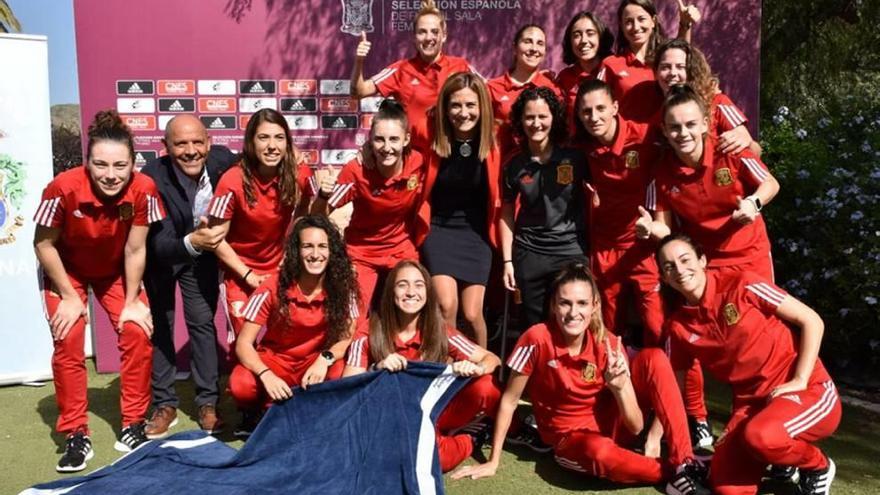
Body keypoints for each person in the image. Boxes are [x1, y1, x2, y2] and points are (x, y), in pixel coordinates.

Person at [451, 262, 709, 495]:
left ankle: (683, 460)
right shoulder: (536, 338)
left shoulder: (607, 342)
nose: (573, 312)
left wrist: (619, 387)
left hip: (614, 426)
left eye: (582, 303)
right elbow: (509, 400)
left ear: (594, 305)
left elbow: (635, 427)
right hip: (572, 442)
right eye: (565, 303)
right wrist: (493, 461)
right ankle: (670, 473)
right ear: (553, 305)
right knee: (599, 452)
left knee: (654, 357)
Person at [656, 235, 841, 495]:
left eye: (685, 260)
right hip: (751, 406)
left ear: (703, 260)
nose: (679, 269)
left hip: (807, 390)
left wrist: (799, 379)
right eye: (668, 266)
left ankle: (817, 466)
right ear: (664, 277)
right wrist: (656, 438)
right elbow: (671, 389)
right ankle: (778, 457)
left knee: (763, 437)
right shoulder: (677, 327)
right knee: (726, 487)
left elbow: (812, 320)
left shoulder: (742, 283)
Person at [33, 110, 164, 472]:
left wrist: (134, 300)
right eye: (100, 164)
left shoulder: (144, 190)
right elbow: (43, 245)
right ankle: (76, 433)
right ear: (87, 162)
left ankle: (132, 425)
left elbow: (136, 249)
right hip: (65, 271)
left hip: (114, 273)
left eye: (120, 165)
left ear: (133, 163)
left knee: (137, 332)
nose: (110, 174)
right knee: (69, 336)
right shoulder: (62, 187)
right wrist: (71, 296)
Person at [343, 260, 501, 473]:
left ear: (427, 293)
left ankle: (471, 435)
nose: (411, 292)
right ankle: (456, 435)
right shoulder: (369, 332)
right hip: (389, 414)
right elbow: (348, 388)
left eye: (418, 285)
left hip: (432, 411)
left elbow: (492, 359)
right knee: (416, 460)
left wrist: (475, 368)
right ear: (390, 292)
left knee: (486, 386)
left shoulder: (440, 331)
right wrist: (376, 368)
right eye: (402, 285)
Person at [140, 115, 238, 439]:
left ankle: (207, 403)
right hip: (162, 259)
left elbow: (260, 166)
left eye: (198, 142)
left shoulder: (224, 160)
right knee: (163, 328)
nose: (191, 150)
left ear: (209, 142)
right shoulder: (151, 177)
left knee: (202, 324)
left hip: (201, 259)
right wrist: (192, 241)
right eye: (181, 144)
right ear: (166, 147)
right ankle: (164, 404)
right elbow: (158, 244)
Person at [228, 215, 359, 436]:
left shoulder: (344, 287)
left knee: (338, 373)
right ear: (296, 251)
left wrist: (323, 360)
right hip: (276, 360)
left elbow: (346, 335)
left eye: (322, 246)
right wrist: (266, 373)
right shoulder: (273, 285)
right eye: (307, 246)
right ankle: (254, 413)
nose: (315, 254)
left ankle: (313, 413)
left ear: (332, 251)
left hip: (313, 361)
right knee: (241, 384)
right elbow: (243, 344)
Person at [637, 85, 780, 280]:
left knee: (757, 311)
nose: (684, 133)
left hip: (751, 255)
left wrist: (752, 203)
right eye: (675, 127)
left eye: (690, 124)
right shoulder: (660, 173)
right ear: (664, 130)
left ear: (705, 124)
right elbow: (665, 228)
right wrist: (650, 228)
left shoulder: (730, 149)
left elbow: (771, 183)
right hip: (704, 264)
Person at [573, 79, 664, 347]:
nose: (594, 117)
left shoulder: (646, 136)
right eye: (586, 111)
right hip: (604, 247)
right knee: (607, 327)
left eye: (600, 108)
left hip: (641, 244)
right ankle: (608, 384)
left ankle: (666, 382)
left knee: (656, 325)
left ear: (615, 107)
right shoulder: (582, 149)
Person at [207, 108, 312, 336]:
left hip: (281, 270)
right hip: (239, 273)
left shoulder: (300, 174)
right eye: (263, 137)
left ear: (288, 143)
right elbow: (215, 239)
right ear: (251, 142)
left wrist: (289, 256)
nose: (272, 146)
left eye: (279, 138)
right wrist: (248, 276)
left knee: (284, 337)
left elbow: (305, 214)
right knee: (244, 340)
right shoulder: (232, 180)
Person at [314, 99, 425, 314]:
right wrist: (323, 195)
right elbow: (318, 216)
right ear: (370, 141)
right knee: (353, 320)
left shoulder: (418, 163)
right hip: (361, 253)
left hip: (401, 250)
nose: (387, 147)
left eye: (394, 139)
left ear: (406, 140)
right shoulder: (356, 170)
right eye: (379, 140)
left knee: (412, 311)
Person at [419, 71, 502, 348]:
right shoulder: (431, 135)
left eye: (470, 105)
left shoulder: (495, 140)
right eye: (456, 105)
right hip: (440, 230)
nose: (463, 112)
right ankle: (446, 370)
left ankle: (483, 372)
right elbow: (394, 142)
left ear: (482, 107)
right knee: (446, 305)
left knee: (472, 313)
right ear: (445, 107)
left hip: (476, 235)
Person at [500, 87, 589, 328]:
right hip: (530, 254)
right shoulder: (513, 164)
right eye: (529, 117)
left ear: (554, 118)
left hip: (570, 250)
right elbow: (506, 213)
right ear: (520, 120)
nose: (536, 123)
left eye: (543, 116)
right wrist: (508, 262)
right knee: (535, 326)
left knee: (573, 322)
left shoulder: (575, 159)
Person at [350, 0, 477, 154]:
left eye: (434, 32)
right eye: (422, 32)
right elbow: (358, 92)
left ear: (444, 36)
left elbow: (489, 95)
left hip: (452, 158)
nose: (428, 37)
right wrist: (359, 61)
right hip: (415, 160)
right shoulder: (401, 69)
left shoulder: (461, 66)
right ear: (414, 37)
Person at [653, 38, 761, 155]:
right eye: (665, 67)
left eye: (680, 67)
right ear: (656, 72)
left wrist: (744, 139)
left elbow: (755, 150)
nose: (673, 73)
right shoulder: (652, 103)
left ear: (691, 71)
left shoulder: (716, 102)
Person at [602, 0, 701, 123]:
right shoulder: (610, 64)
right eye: (628, 22)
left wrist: (685, 24)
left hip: (668, 138)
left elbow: (680, 54)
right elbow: (597, 103)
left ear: (653, 21)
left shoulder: (665, 62)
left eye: (641, 19)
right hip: (629, 141)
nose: (635, 27)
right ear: (621, 26)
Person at [486, 24, 560, 159]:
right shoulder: (492, 88)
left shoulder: (553, 89)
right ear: (515, 47)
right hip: (502, 167)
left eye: (540, 44)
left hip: (543, 169)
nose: (534, 48)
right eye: (527, 42)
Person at [555, 11, 615, 133]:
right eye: (577, 35)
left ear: (600, 37)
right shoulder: (565, 77)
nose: (583, 40)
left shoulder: (614, 68)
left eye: (590, 33)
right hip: (577, 148)